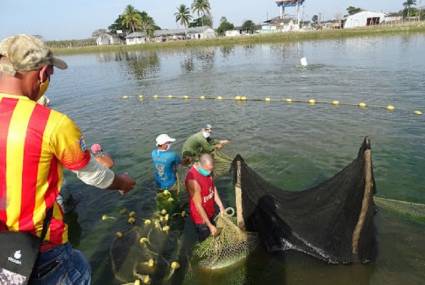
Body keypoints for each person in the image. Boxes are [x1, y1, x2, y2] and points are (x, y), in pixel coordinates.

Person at [0, 34, 136, 285]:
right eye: (50, 73)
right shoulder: (52, 123)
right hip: (42, 249)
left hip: (4, 251)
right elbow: (93, 174)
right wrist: (122, 183)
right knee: (77, 266)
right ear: (41, 73)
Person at [185, 154, 225, 241]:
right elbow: (198, 205)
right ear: (200, 165)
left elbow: (213, 187)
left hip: (210, 210)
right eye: (208, 170)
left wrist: (221, 206)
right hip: (201, 218)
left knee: (216, 235)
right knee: (206, 239)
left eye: (211, 169)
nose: (210, 172)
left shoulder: (208, 171)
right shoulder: (192, 180)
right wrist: (209, 225)